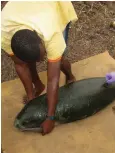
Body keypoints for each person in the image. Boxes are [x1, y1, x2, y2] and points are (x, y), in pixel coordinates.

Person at [1, 1, 78, 135]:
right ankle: (37, 85)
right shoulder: (4, 33)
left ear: (39, 37)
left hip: (54, 7)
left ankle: (70, 77)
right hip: (25, 12)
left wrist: (50, 117)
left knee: (58, 61)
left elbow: (53, 79)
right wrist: (31, 100)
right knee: (24, 60)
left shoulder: (51, 32)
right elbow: (20, 65)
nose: (41, 61)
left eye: (42, 56)